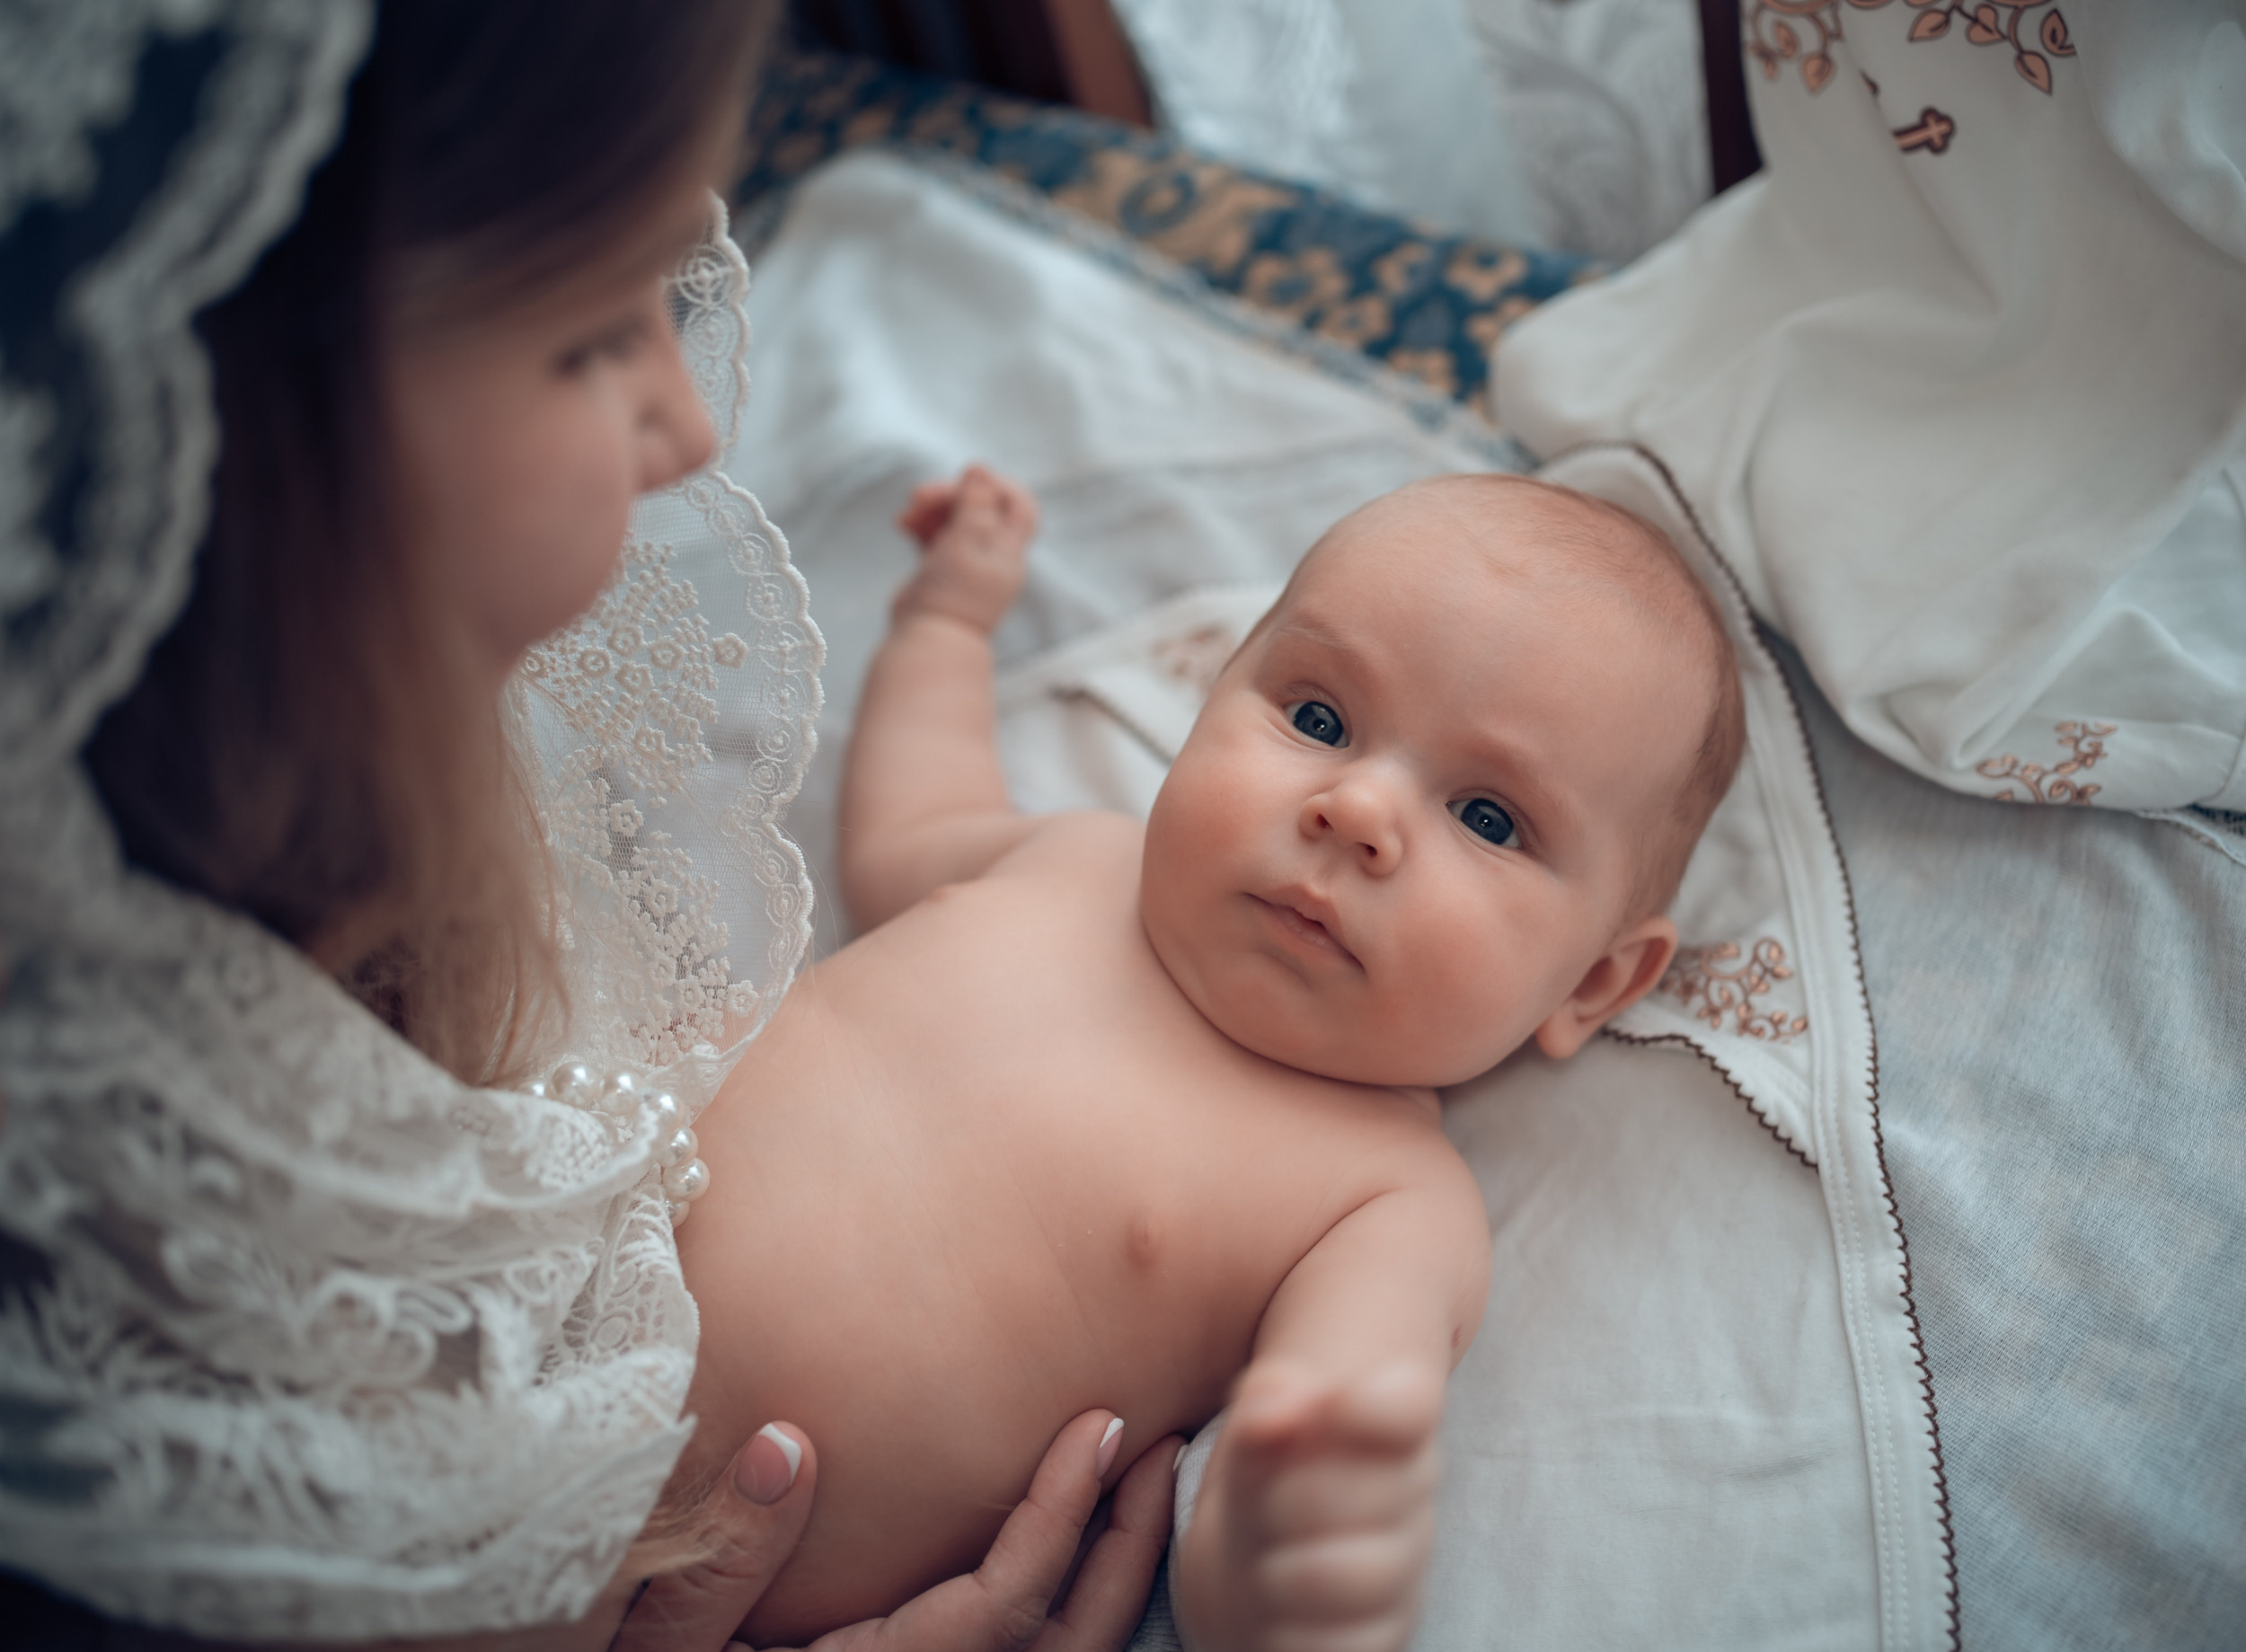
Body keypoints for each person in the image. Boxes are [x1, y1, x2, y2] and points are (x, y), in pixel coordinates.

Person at [0, 4, 1169, 1648]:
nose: (694, 429)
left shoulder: (394, 759)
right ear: (233, 449)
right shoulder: (126, 1404)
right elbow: (926, 832)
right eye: (591, 333)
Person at [673, 464, 1748, 1649]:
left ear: (1594, 980)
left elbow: (1299, 1469)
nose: (1357, 809)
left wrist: (1298, 1557)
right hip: (504, 1254)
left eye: (1488, 818)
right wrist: (949, 622)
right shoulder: (1077, 861)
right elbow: (904, 821)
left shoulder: (1383, 1200)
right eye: (1318, 718)